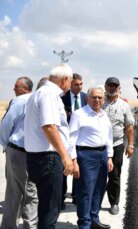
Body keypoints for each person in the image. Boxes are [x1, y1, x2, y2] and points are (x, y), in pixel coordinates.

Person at [24, 64, 75, 228]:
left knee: (45, 207)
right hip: (48, 159)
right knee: (50, 211)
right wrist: (65, 156)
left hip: (37, 158)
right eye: (71, 81)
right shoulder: (49, 94)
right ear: (65, 79)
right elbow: (49, 126)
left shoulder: (37, 94)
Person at [68, 87, 113, 229]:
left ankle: (94, 219)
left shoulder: (104, 115)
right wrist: (73, 161)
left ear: (104, 99)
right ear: (87, 99)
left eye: (100, 97)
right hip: (86, 156)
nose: (97, 100)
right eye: (94, 97)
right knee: (85, 191)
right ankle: (84, 224)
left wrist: (110, 156)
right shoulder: (79, 114)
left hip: (103, 155)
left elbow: (109, 137)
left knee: (99, 189)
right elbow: (71, 139)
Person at [0, 77, 38, 229]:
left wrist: (5, 144)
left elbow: (6, 124)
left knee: (15, 192)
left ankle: (10, 226)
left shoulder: (20, 101)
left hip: (18, 151)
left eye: (16, 86)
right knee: (31, 193)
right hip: (35, 153)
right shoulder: (37, 100)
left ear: (25, 88)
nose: (13, 89)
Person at [103, 77, 134, 215]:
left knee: (114, 175)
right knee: (97, 175)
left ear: (118, 88)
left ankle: (114, 203)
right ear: (105, 86)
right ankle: (94, 201)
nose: (112, 88)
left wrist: (130, 145)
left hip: (117, 145)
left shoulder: (124, 105)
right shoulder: (99, 102)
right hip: (99, 146)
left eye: (114, 86)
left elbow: (129, 127)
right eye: (110, 85)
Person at [61, 73, 87, 209]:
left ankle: (76, 197)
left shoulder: (85, 98)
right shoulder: (62, 98)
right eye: (77, 84)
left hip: (80, 140)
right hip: (65, 140)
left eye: (81, 84)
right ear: (70, 84)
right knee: (64, 169)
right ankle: (61, 198)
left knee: (79, 169)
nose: (80, 87)